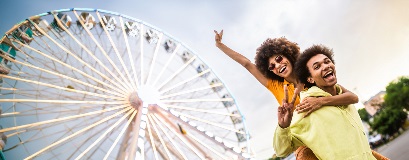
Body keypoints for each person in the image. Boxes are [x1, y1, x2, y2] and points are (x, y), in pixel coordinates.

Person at [214, 30, 359, 159]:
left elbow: (352, 97)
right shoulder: (276, 86)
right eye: (272, 66)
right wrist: (220, 46)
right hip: (307, 144)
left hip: (334, 134)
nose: (277, 65)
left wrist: (320, 102)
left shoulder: (311, 75)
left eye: (278, 59)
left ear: (288, 55)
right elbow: (247, 64)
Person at [274, 44, 389, 159]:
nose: (325, 66)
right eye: (317, 67)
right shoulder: (307, 109)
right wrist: (283, 127)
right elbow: (282, 150)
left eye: (327, 61)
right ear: (310, 79)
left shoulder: (343, 97)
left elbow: (354, 98)